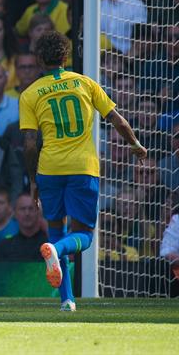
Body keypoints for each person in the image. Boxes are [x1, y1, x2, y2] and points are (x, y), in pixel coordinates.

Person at [20, 31, 147, 312]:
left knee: (55, 230)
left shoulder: (29, 94)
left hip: (49, 168)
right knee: (85, 236)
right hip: (83, 167)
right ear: (65, 57)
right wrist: (135, 144)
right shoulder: (85, 83)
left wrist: (32, 180)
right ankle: (59, 260)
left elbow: (29, 144)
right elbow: (117, 120)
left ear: (40, 59)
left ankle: (67, 300)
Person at [0, 193, 47, 259]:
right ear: (15, 213)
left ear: (38, 212)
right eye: (22, 209)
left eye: (31, 208)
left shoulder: (49, 244)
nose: (27, 213)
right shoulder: (4, 246)